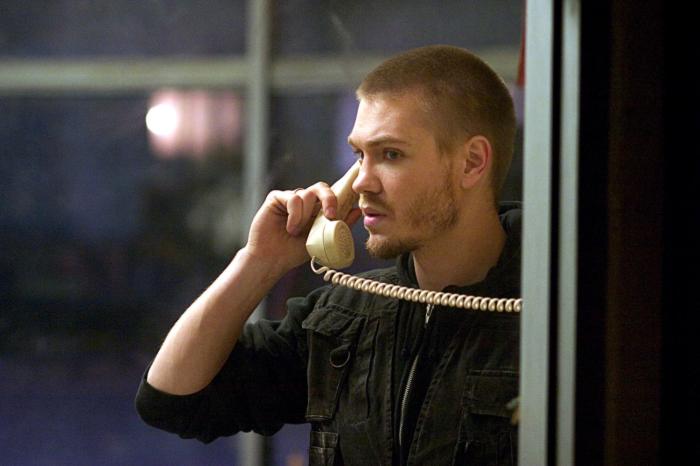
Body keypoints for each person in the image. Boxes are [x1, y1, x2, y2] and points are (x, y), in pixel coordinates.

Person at [136, 44, 521, 466]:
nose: (361, 183)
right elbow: (171, 400)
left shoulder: (549, 317)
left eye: (391, 155)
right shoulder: (346, 317)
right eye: (359, 156)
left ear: (471, 162)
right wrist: (259, 261)